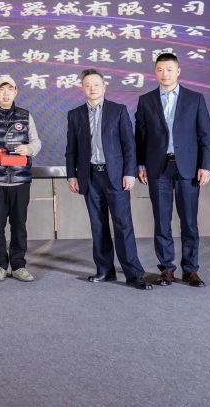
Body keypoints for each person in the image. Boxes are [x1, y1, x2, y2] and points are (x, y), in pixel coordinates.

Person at [65, 69, 152, 290]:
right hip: (89, 177)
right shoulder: (75, 115)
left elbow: (129, 145)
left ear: (104, 86)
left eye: (96, 84)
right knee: (98, 225)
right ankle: (105, 270)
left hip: (116, 177)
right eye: (87, 85)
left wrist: (129, 173)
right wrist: (72, 175)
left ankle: (134, 274)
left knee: (123, 224)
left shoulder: (118, 111)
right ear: (82, 88)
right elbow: (71, 150)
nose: (92, 88)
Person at [136, 53, 210, 287]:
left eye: (169, 69)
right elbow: (140, 137)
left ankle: (190, 270)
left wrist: (205, 166)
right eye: (160, 69)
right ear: (155, 72)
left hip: (188, 167)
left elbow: (205, 135)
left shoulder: (195, 99)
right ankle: (167, 269)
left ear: (178, 71)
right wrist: (140, 164)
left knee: (189, 221)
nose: (165, 74)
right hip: (157, 168)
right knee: (162, 221)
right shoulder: (146, 100)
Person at [0, 75, 42, 283]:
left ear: (15, 91)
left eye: (9, 89)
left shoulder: (25, 116)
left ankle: (19, 265)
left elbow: (37, 142)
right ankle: (0, 266)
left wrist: (28, 149)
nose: (5, 94)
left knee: (19, 225)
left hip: (20, 179)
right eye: (1, 89)